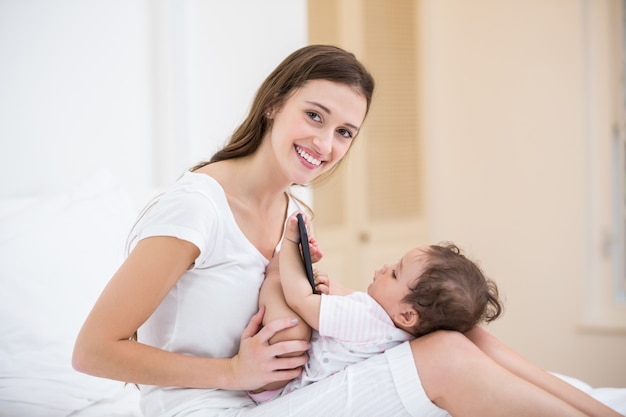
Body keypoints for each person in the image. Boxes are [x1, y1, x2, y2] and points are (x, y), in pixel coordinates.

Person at [72, 44, 622, 417]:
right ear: (274, 104)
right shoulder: (197, 209)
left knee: (450, 330)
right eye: (314, 116)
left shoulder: (297, 213)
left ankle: (597, 410)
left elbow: (299, 325)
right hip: (211, 408)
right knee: (445, 357)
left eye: (344, 132)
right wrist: (233, 371)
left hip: (276, 398)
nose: (326, 145)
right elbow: (93, 351)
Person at [249, 211, 503, 403]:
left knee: (286, 298)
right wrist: (335, 289)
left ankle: (273, 272)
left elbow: (300, 300)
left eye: (394, 273)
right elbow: (355, 303)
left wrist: (291, 246)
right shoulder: (401, 334)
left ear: (406, 314)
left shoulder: (365, 318)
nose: (385, 267)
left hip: (279, 385)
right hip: (292, 382)